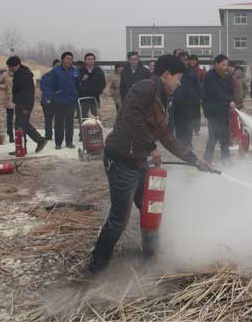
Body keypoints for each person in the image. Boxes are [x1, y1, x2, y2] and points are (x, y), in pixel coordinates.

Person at [89, 54, 213, 274]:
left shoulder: (165, 98)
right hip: (121, 160)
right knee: (119, 218)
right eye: (178, 78)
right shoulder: (145, 88)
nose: (179, 83)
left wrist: (194, 159)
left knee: (150, 208)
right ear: (166, 74)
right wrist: (150, 147)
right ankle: (97, 267)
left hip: (138, 161)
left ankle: (151, 257)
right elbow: (131, 118)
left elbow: (166, 136)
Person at [6, 56, 47, 153]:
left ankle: (40, 140)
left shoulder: (24, 75)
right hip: (20, 103)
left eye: (10, 67)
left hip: (24, 104)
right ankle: (20, 148)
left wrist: (25, 107)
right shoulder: (19, 73)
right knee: (19, 125)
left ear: (16, 65)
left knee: (22, 124)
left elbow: (27, 93)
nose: (9, 69)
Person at [203, 54, 235, 163]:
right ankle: (207, 160)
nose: (225, 67)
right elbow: (216, 92)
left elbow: (230, 90)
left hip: (224, 110)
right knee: (213, 136)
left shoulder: (227, 76)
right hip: (213, 110)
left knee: (225, 136)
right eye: (223, 65)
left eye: (226, 65)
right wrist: (228, 101)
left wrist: (230, 101)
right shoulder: (210, 76)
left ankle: (226, 160)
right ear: (216, 64)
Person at [47, 52, 79, 149]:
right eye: (67, 58)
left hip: (71, 100)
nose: (69, 61)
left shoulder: (75, 71)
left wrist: (75, 94)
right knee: (59, 123)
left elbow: (78, 84)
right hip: (59, 100)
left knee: (70, 122)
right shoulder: (55, 71)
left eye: (71, 59)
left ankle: (69, 142)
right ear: (62, 60)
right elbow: (49, 85)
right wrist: (49, 97)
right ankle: (58, 143)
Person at [171, 53, 201, 147]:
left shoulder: (192, 72)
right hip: (177, 103)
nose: (183, 62)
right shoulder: (173, 72)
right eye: (181, 60)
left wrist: (198, 98)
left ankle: (188, 143)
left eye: (185, 60)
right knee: (179, 125)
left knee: (189, 125)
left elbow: (198, 86)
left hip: (190, 103)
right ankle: (180, 143)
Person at [78, 52, 106, 119]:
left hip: (95, 97)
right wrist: (82, 79)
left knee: (96, 117)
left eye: (91, 59)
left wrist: (98, 91)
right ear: (85, 60)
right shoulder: (80, 71)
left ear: (94, 60)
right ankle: (83, 126)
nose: (90, 61)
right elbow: (76, 83)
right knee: (82, 117)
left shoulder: (99, 71)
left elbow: (103, 83)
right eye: (88, 59)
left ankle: (96, 126)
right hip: (83, 98)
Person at [39, 59, 61, 140]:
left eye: (59, 66)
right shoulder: (46, 76)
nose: (58, 67)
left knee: (59, 120)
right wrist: (49, 98)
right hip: (47, 101)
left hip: (59, 101)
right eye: (57, 66)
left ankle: (59, 136)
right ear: (53, 66)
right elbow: (43, 88)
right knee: (48, 119)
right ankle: (48, 136)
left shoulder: (62, 76)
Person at [0, 68, 15, 142]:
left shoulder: (19, 74)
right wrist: (5, 87)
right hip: (9, 97)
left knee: (20, 118)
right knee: (10, 117)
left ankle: (19, 135)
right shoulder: (5, 74)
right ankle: (10, 134)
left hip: (19, 98)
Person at [189, 54, 205, 135]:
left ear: (197, 61)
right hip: (187, 95)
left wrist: (201, 96)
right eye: (191, 60)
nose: (192, 61)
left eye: (194, 60)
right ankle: (189, 128)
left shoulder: (200, 71)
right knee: (188, 112)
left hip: (196, 95)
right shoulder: (186, 70)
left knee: (196, 113)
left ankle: (196, 129)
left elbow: (203, 84)